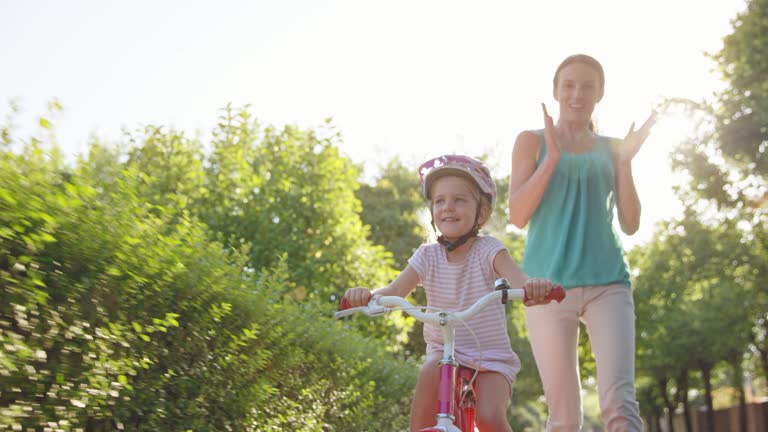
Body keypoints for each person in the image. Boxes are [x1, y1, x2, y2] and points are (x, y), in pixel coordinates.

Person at [343, 154, 557, 432]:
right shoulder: (426, 255)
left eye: (459, 200)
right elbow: (395, 291)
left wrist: (532, 288)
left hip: (490, 357)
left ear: (482, 212)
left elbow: (519, 280)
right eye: (439, 201)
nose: (448, 207)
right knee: (424, 401)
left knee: (488, 416)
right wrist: (367, 295)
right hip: (443, 350)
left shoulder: (489, 249)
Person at [508, 53, 656, 432]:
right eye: (569, 85)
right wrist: (552, 157)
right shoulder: (530, 141)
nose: (577, 94)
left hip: (608, 283)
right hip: (545, 287)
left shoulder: (612, 148)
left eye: (587, 86)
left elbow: (632, 223)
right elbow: (518, 215)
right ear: (556, 91)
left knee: (619, 404)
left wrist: (625, 162)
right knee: (563, 418)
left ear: (599, 94)